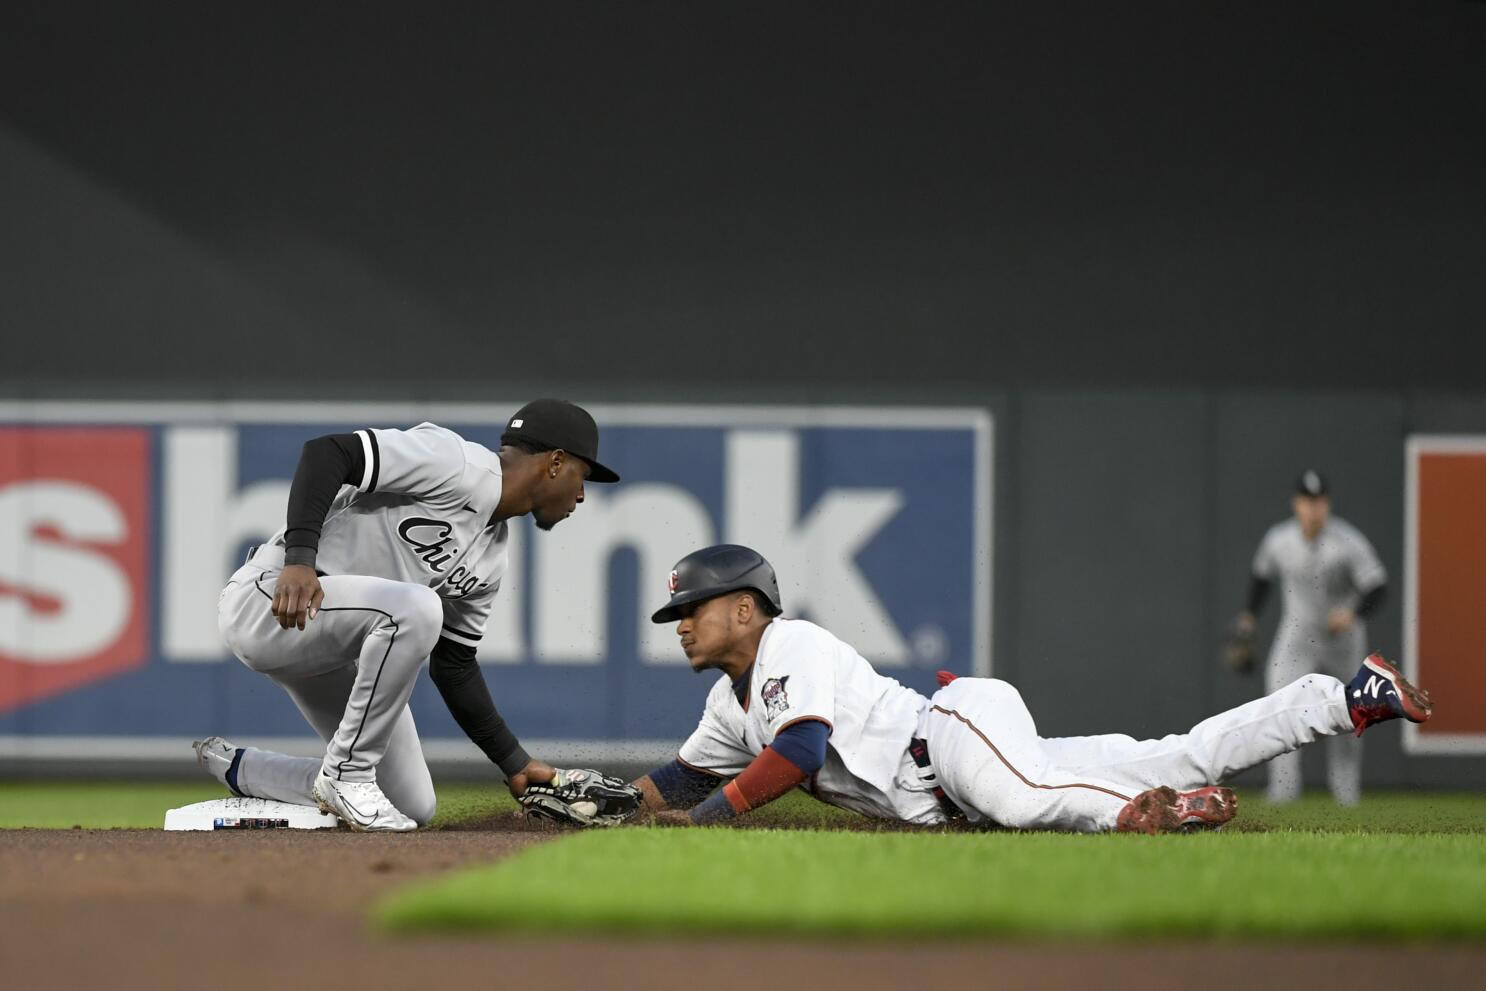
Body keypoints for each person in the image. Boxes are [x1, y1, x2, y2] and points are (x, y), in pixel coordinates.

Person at [630, 544, 1430, 834]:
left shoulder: (789, 641)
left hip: (947, 734)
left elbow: (800, 749)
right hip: (967, 769)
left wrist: (705, 821)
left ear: (744, 607)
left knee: (1021, 798)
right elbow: (676, 781)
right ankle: (1345, 696)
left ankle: (1137, 817)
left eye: (691, 608)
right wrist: (582, 797)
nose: (681, 624)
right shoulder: (724, 705)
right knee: (1177, 754)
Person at [194, 399, 621, 831]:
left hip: (332, 643)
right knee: (419, 607)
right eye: (582, 477)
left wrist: (515, 762)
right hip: (270, 602)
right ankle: (346, 775)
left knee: (412, 804)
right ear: (556, 462)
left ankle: (244, 769)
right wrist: (300, 559)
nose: (582, 495)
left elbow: (454, 666)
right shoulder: (458, 463)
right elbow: (328, 452)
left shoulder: (492, 557)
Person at [1230, 470, 1388, 805]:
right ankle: (1283, 788)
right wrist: (1248, 617)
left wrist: (1354, 614)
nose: (1313, 508)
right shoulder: (1279, 539)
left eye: (1319, 501)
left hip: (1342, 637)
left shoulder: (1347, 541)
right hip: (1298, 633)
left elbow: (1378, 586)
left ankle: (1346, 793)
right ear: (1296, 503)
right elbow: (1261, 578)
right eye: (1307, 501)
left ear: (1326, 504)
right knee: (1280, 704)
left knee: (1349, 712)